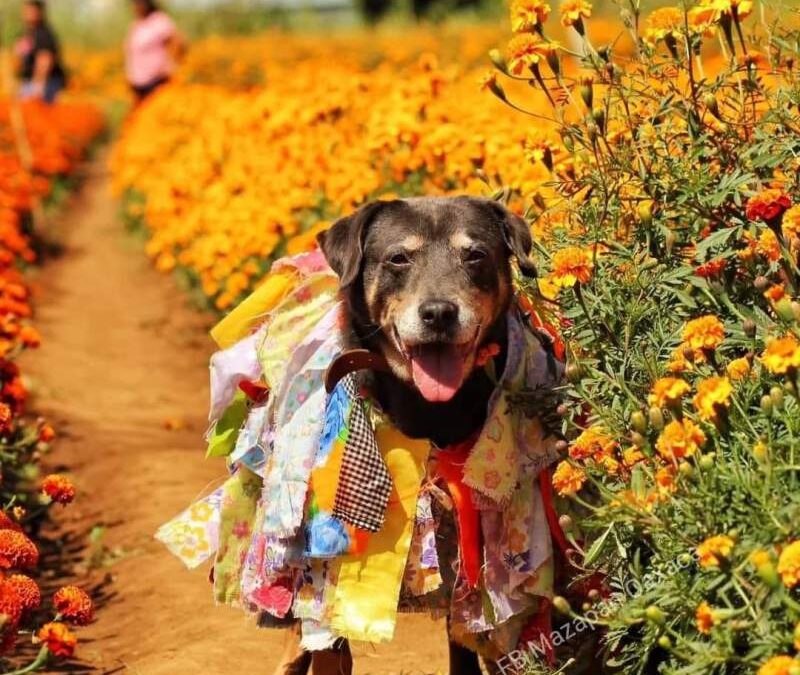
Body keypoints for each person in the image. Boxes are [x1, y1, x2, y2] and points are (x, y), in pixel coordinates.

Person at [125, 0, 183, 103]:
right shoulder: (137, 24)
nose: (136, 6)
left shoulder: (159, 20)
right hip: (138, 84)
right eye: (135, 4)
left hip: (157, 82)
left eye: (139, 3)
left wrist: (174, 65)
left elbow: (176, 43)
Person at [16, 0, 67, 104]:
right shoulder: (27, 33)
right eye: (26, 9)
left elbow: (45, 60)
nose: (28, 13)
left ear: (40, 12)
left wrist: (38, 86)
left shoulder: (43, 33)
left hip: (47, 81)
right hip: (29, 81)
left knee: (31, 109)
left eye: (31, 10)